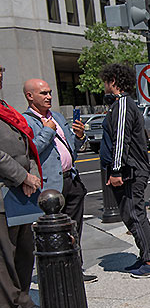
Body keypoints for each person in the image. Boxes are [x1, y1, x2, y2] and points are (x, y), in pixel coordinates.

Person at [21, 79, 97, 283]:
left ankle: (75, 269)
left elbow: (71, 147)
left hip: (70, 179)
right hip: (49, 187)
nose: (48, 97)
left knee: (74, 227)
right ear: (30, 96)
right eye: (43, 93)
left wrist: (80, 137)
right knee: (52, 232)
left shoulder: (56, 116)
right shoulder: (26, 121)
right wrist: (47, 130)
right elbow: (29, 150)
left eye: (49, 92)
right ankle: (55, 274)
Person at [100, 63, 150, 279]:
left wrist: (116, 170)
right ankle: (146, 255)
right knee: (131, 213)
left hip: (129, 170)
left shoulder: (123, 105)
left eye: (106, 81)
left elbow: (121, 139)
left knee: (134, 213)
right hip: (128, 169)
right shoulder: (120, 105)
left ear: (113, 81)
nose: (104, 86)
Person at [0, 63, 42, 308]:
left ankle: (23, 297)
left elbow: (27, 145)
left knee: (25, 249)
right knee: (5, 253)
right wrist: (22, 176)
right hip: (4, 193)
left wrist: (32, 176)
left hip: (21, 192)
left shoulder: (5, 108)